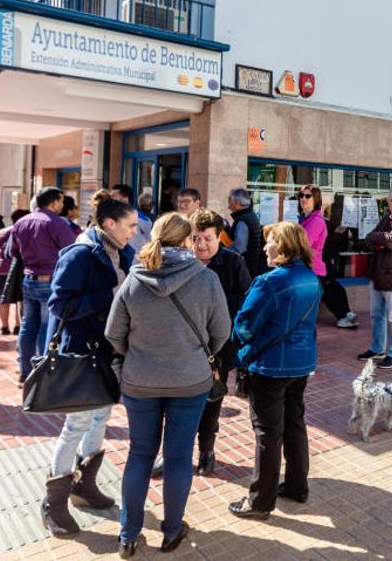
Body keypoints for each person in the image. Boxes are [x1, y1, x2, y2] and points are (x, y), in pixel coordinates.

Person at [106, 213, 231, 557]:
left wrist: (139, 353)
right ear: (187, 240)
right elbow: (222, 332)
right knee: (178, 457)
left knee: (140, 454)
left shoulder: (135, 278)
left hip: (140, 381)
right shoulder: (206, 279)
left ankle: (128, 533)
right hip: (190, 381)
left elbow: (113, 333)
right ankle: (172, 530)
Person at [39, 197, 138, 538]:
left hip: (109, 350)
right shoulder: (80, 253)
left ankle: (85, 485)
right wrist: (110, 293)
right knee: (77, 423)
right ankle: (53, 505)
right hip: (83, 352)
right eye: (130, 226)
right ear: (109, 223)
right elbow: (59, 303)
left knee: (101, 417)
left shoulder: (121, 250)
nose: (134, 232)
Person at [227, 222, 323, 522]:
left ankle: (259, 501)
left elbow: (245, 325)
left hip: (270, 366)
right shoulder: (311, 277)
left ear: (282, 246)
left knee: (268, 433)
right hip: (301, 363)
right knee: (295, 424)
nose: (265, 246)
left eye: (269, 241)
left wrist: (236, 345)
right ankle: (297, 486)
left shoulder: (269, 281)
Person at [179, 209, 252, 477]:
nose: (201, 245)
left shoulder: (233, 263)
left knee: (212, 400)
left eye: (208, 238)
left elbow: (245, 300)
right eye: (196, 238)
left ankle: (207, 451)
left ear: (219, 236)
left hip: (218, 346)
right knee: (179, 402)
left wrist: (212, 309)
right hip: (182, 345)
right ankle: (176, 453)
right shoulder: (182, 261)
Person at [10, 187, 78, 385]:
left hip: (29, 279)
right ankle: (40, 374)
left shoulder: (21, 222)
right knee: (46, 328)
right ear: (55, 201)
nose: (63, 205)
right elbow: (71, 252)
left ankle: (24, 371)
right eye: (61, 201)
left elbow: (12, 252)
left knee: (27, 326)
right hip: (49, 280)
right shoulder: (56, 223)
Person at [357, 188, 392, 369]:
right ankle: (377, 349)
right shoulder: (386, 218)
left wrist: (379, 239)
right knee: (377, 314)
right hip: (377, 274)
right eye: (391, 201)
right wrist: (380, 239)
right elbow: (368, 239)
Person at [297, 184, 358, 329]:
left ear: (315, 199)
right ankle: (345, 314)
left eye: (307, 196)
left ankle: (344, 315)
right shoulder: (304, 219)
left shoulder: (316, 221)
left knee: (312, 306)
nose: (303, 199)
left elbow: (304, 245)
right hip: (309, 268)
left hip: (313, 270)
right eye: (301, 196)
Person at [0, 209, 29, 335]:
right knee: (20, 299)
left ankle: (4, 327)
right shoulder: (25, 232)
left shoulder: (2, 232)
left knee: (3, 298)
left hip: (0, 268)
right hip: (19, 269)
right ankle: (17, 326)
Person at [228, 188, 266, 277]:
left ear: (237, 203)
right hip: (252, 266)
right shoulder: (250, 216)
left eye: (230, 201)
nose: (228, 205)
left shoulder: (243, 220)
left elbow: (239, 248)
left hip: (247, 268)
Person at [111, 184, 153, 253]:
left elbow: (148, 231)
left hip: (135, 261)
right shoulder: (113, 216)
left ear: (125, 199)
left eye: (114, 197)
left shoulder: (138, 217)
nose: (111, 200)